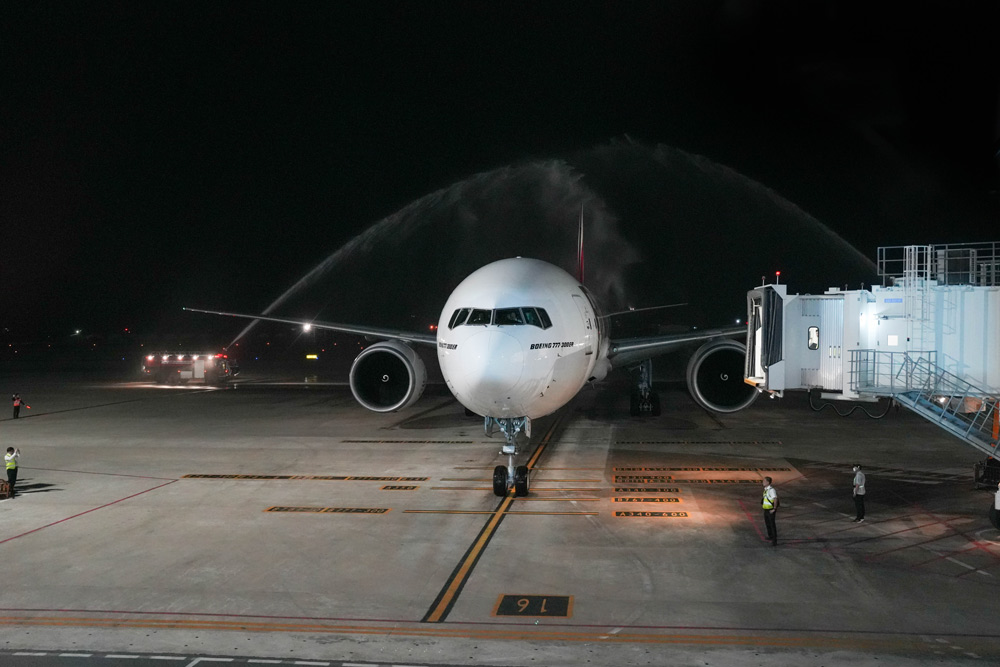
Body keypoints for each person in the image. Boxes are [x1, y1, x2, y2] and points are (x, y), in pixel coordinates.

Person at [761, 476, 778, 545]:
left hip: (770, 510)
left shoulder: (771, 490)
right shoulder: (766, 489)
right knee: (767, 524)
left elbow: (775, 499)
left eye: (764, 481)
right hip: (766, 510)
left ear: (768, 482)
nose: (763, 482)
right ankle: (770, 536)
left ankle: (774, 540)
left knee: (772, 525)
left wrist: (774, 508)